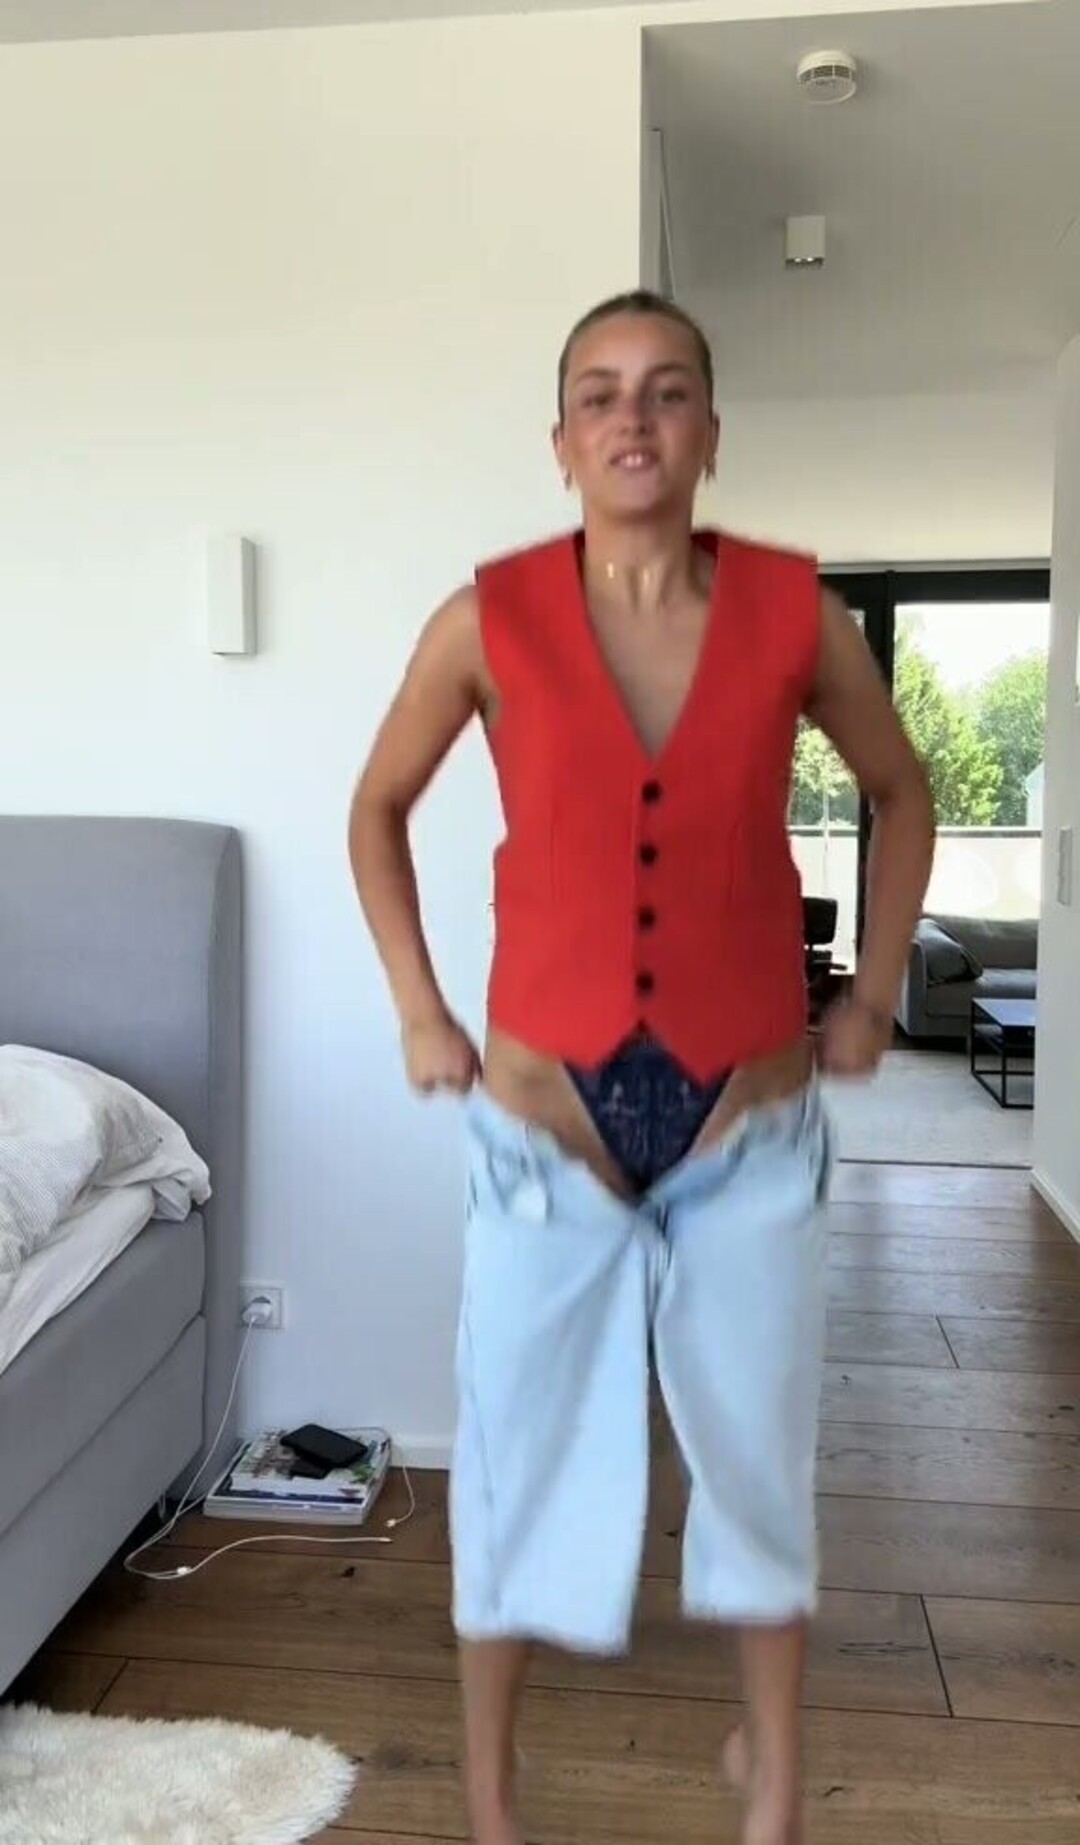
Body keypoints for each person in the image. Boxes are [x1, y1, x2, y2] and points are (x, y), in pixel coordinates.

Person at [348, 289, 935, 1845]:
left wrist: (877, 990)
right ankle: (493, 1802)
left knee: (757, 1458)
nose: (633, 415)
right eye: (601, 392)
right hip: (545, 1134)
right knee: (516, 1459)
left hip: (750, 1126)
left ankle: (774, 1787)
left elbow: (902, 787)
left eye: (668, 390)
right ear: (560, 441)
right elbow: (376, 807)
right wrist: (418, 1007)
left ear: (709, 433)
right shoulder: (485, 619)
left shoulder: (797, 614)